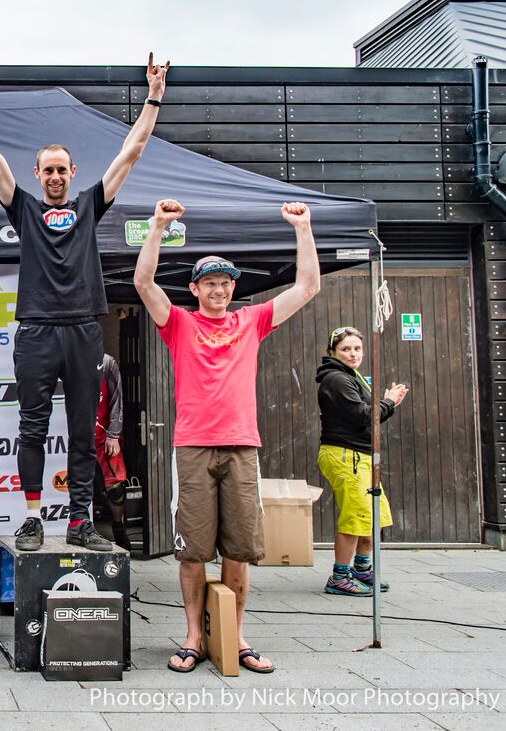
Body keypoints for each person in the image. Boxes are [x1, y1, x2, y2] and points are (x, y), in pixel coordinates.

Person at [0, 53, 168, 551]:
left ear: (72, 173)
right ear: (37, 173)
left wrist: (154, 97)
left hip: (83, 329)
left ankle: (79, 521)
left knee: (82, 431)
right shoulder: (24, 209)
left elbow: (131, 153)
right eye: (47, 170)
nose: (54, 176)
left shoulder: (89, 205)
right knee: (32, 427)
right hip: (36, 331)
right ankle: (31, 519)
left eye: (61, 170)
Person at [134, 198, 321, 675]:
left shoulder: (251, 320)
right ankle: (194, 637)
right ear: (195, 288)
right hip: (193, 446)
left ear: (234, 287)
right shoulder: (179, 323)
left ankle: (235, 637)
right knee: (193, 550)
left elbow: (307, 286)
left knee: (239, 549)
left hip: (241, 446)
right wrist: (158, 227)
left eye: (225, 282)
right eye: (210, 282)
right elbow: (143, 283)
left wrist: (302, 228)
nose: (219, 289)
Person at [316, 326, 408, 596]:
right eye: (345, 349)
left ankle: (362, 570)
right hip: (347, 455)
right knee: (356, 517)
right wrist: (388, 401)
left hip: (360, 456)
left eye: (357, 348)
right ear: (333, 352)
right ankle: (339, 577)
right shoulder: (337, 379)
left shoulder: (350, 376)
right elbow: (364, 416)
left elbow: (370, 417)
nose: (353, 353)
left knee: (372, 515)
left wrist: (390, 404)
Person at [95, 353, 130, 550]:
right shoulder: (69, 357)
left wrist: (114, 434)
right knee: (77, 485)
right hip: (78, 438)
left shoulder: (107, 363)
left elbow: (117, 398)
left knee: (115, 488)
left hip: (105, 437)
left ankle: (119, 528)